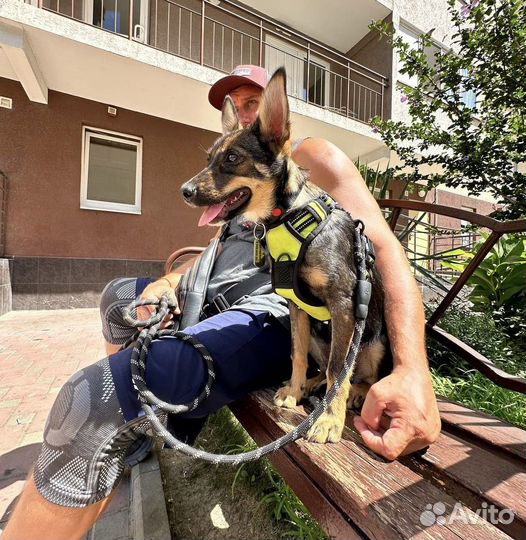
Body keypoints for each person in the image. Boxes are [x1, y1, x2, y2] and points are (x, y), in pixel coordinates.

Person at [2, 65, 440, 540]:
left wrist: (414, 371)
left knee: (92, 397)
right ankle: (140, 433)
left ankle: (120, 414)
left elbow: (383, 250)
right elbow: (213, 256)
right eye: (231, 111)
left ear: (276, 118)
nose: (241, 119)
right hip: (209, 297)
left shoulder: (312, 157)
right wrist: (170, 280)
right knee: (118, 299)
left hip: (269, 312)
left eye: (252, 104)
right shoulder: (240, 189)